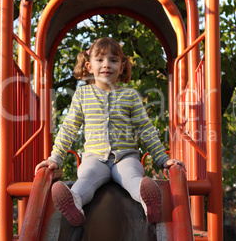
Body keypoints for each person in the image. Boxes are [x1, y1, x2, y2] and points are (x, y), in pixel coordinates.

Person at [34, 37, 186, 226]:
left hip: (126, 157)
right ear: (89, 66)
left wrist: (163, 159)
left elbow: (146, 129)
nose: (106, 65)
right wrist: (55, 158)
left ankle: (148, 204)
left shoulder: (130, 96)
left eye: (113, 60)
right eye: (100, 60)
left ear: (121, 67)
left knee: (132, 178)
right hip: (94, 158)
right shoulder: (82, 95)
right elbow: (68, 128)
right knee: (87, 177)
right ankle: (74, 203)